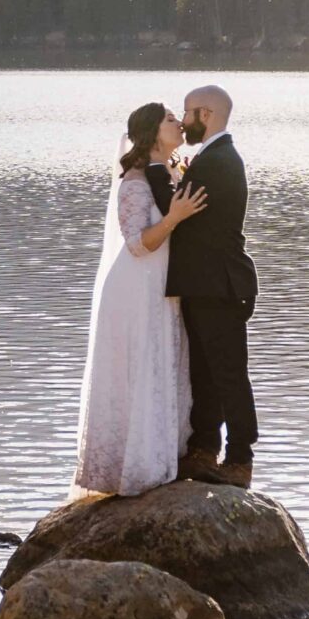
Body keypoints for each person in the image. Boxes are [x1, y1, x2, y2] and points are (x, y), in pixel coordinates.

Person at [70, 100, 209, 495]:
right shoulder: (134, 181)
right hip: (135, 289)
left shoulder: (168, 170)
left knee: (162, 365)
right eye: (170, 119)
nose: (179, 123)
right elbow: (136, 244)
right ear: (152, 133)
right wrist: (174, 218)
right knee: (142, 368)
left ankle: (161, 458)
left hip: (160, 286)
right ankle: (132, 470)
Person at [169, 84, 258, 486]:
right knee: (205, 373)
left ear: (206, 115)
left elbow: (173, 213)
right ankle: (205, 450)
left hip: (220, 284)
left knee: (228, 373)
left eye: (187, 113)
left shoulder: (219, 161)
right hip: (205, 284)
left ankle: (239, 458)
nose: (183, 121)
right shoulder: (213, 158)